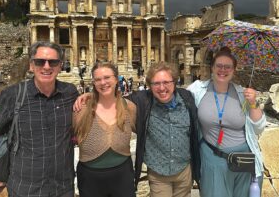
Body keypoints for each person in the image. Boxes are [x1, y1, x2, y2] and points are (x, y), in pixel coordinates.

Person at [73, 61, 200, 197]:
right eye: (156, 83)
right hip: (158, 172)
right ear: (150, 86)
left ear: (174, 82)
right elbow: (109, 97)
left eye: (166, 82)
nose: (162, 88)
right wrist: (89, 95)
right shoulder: (143, 101)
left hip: (183, 170)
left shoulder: (187, 98)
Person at [0, 41, 79, 197]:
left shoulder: (69, 93)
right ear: (31, 65)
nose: (47, 66)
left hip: (62, 187)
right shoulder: (12, 95)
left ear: (60, 66)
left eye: (53, 62)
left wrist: (90, 95)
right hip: (25, 187)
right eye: (40, 61)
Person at [187, 47, 266, 197]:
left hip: (243, 158)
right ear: (212, 67)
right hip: (213, 157)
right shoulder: (197, 90)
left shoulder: (243, 94)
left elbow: (259, 128)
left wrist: (254, 103)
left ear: (234, 70)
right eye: (219, 66)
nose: (223, 70)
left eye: (228, 67)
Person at [73, 62, 136, 197]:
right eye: (98, 79)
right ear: (93, 83)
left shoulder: (129, 107)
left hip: (123, 174)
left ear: (116, 79)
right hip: (90, 177)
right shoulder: (81, 108)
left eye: (107, 77)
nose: (103, 82)